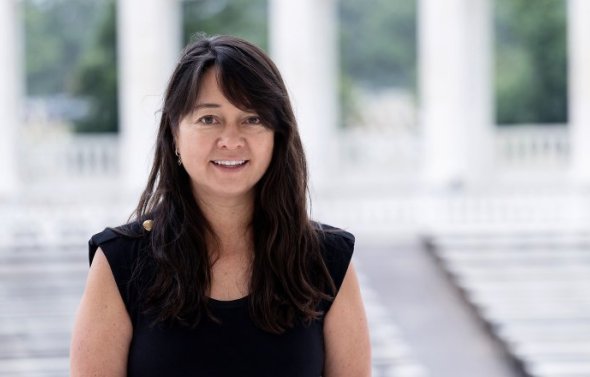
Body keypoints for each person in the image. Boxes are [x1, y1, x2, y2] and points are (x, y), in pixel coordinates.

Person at [70, 34, 371, 377]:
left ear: (278, 135)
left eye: (253, 119)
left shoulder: (327, 261)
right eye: (208, 119)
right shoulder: (121, 262)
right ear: (174, 133)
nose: (230, 140)